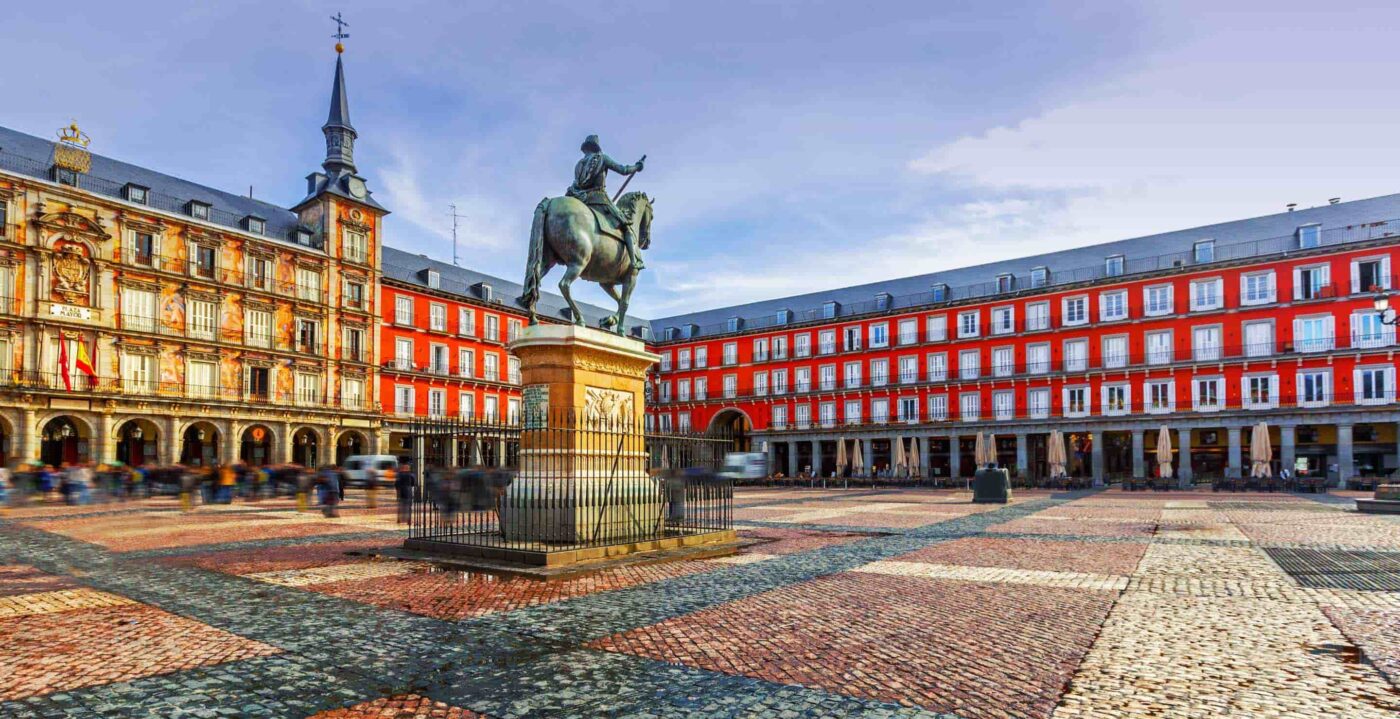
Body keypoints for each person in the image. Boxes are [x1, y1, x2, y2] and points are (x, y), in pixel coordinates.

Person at [567, 134, 646, 270]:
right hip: (599, 199)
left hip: (581, 200)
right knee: (627, 226)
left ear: (586, 148)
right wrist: (637, 167)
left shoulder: (578, 165)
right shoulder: (602, 158)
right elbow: (624, 170)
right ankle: (634, 262)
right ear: (596, 147)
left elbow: (578, 184)